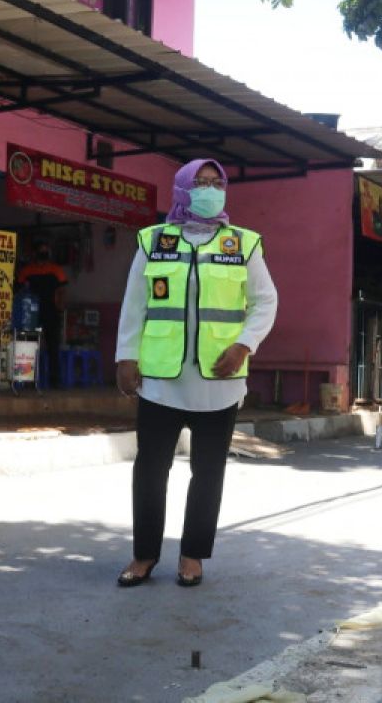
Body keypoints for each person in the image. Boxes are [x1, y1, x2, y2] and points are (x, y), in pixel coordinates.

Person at [114, 159, 278, 588]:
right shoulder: (154, 240)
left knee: (208, 473)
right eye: (200, 183)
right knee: (150, 471)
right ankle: (144, 555)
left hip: (219, 383)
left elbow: (266, 301)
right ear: (182, 189)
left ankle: (192, 556)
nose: (209, 190)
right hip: (162, 381)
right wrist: (125, 356)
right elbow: (135, 304)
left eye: (216, 183)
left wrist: (245, 344)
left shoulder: (243, 244)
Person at [17, 239, 67, 388]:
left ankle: (54, 380)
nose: (44, 254)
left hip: (51, 312)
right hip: (31, 313)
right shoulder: (27, 271)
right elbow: (20, 290)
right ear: (35, 253)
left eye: (46, 251)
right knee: (30, 346)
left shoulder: (56, 270)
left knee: (53, 346)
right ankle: (28, 380)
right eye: (41, 251)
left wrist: (60, 307)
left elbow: (62, 291)